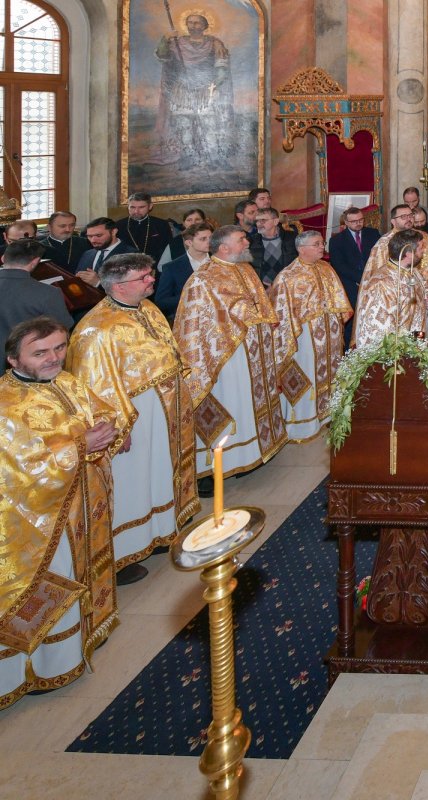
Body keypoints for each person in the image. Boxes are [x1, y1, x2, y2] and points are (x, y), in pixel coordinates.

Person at [0, 317, 118, 708]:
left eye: (58, 348)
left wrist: (108, 426)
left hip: (81, 506)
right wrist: (79, 446)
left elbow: (98, 410)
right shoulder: (7, 405)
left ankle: (76, 644)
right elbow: (19, 471)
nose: (53, 358)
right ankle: (42, 666)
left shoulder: (64, 382)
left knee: (79, 571)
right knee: (56, 578)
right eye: (40, 352)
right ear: (14, 359)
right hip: (40, 522)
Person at [65, 253, 199, 584]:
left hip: (163, 410)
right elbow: (91, 387)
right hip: (132, 420)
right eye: (145, 277)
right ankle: (125, 552)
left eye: (150, 274)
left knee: (158, 472)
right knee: (133, 482)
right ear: (120, 286)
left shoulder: (147, 309)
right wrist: (113, 428)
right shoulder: (95, 331)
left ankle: (161, 530)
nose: (152, 280)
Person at [173, 225, 288, 494]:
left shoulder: (245, 269)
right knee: (233, 402)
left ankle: (255, 451)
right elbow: (198, 326)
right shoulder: (203, 279)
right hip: (227, 357)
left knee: (250, 402)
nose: (247, 242)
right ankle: (219, 464)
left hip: (253, 352)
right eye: (241, 239)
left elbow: (261, 304)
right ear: (224, 247)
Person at [269, 231, 352, 442]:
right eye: (316, 244)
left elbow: (341, 302)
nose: (321, 247)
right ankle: (304, 424)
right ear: (301, 249)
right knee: (308, 376)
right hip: (304, 338)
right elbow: (281, 317)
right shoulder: (288, 277)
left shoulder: (326, 268)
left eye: (322, 243)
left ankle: (328, 414)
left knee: (330, 373)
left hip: (329, 337)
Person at [153, 12, 234, 170]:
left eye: (197, 23)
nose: (193, 25)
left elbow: (221, 66)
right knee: (184, 124)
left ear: (204, 25)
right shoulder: (177, 42)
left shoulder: (214, 43)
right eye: (190, 22)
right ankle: (188, 157)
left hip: (206, 89)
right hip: (182, 90)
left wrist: (215, 83)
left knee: (209, 124)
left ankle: (213, 157)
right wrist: (166, 39)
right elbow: (163, 56)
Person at [354, 229, 428, 345]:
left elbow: (424, 289)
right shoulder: (382, 282)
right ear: (408, 253)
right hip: (400, 351)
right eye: (421, 248)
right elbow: (379, 326)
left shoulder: (413, 271)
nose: (424, 251)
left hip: (418, 341)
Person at [0, 240, 74, 373]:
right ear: (35, 262)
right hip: (26, 365)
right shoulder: (48, 293)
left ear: (3, 258)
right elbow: (62, 329)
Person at [327, 205, 381, 315]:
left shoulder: (373, 233)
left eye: (361, 220)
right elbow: (339, 265)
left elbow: (380, 256)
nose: (358, 223)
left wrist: (371, 276)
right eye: (354, 221)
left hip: (373, 280)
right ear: (346, 222)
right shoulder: (336, 240)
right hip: (350, 283)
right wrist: (360, 278)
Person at [155, 222, 213, 322]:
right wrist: (190, 296)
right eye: (203, 239)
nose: (209, 242)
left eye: (211, 238)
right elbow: (161, 301)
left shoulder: (220, 262)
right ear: (189, 243)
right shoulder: (171, 268)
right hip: (186, 321)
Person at [76, 218, 136, 287]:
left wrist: (98, 283)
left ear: (114, 232)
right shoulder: (88, 254)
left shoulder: (132, 255)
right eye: (90, 236)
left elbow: (133, 289)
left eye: (98, 235)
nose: (93, 240)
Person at [116, 192, 174, 263]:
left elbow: (168, 249)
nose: (136, 211)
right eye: (132, 207)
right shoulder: (118, 225)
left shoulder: (161, 224)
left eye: (141, 207)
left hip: (155, 266)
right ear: (128, 206)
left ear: (150, 206)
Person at [249, 207, 298, 288]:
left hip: (288, 286)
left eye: (263, 220)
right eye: (257, 221)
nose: (259, 224)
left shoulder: (292, 238)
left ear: (275, 221)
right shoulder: (251, 242)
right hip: (262, 288)